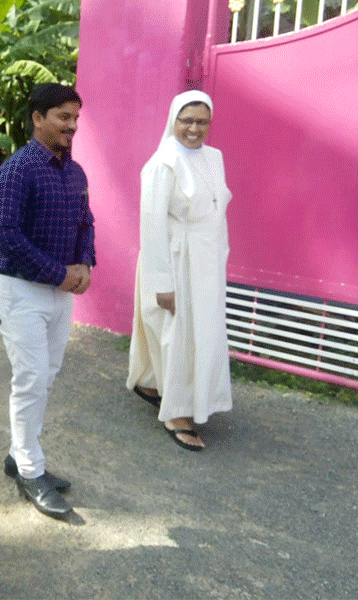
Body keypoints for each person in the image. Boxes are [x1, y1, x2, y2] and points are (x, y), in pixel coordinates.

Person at [0, 83, 95, 519]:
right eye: (62, 117)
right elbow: (7, 237)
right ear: (38, 118)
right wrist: (60, 273)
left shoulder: (76, 172)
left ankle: (20, 454)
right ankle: (30, 471)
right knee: (31, 379)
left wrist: (85, 262)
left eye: (75, 118)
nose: (72, 126)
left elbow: (86, 222)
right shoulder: (17, 169)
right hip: (21, 293)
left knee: (46, 376)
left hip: (60, 295)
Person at [126, 89, 233, 451]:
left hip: (206, 260)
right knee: (177, 334)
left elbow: (218, 211)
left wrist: (220, 256)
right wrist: (161, 283)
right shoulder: (163, 162)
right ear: (174, 120)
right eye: (186, 120)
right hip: (174, 257)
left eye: (202, 121)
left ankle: (156, 383)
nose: (194, 128)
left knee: (204, 331)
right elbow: (151, 223)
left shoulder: (214, 157)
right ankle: (176, 413)